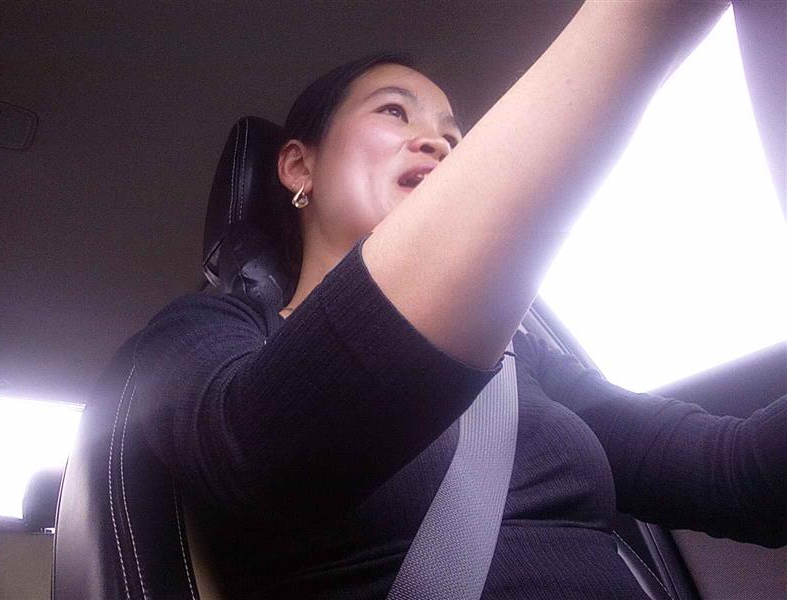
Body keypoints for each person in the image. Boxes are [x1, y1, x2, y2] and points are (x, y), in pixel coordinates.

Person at [133, 1, 786, 598]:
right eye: (394, 112)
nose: (439, 142)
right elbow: (258, 457)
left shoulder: (523, 364)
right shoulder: (203, 329)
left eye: (453, 132)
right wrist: (635, 20)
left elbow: (740, 479)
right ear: (299, 167)